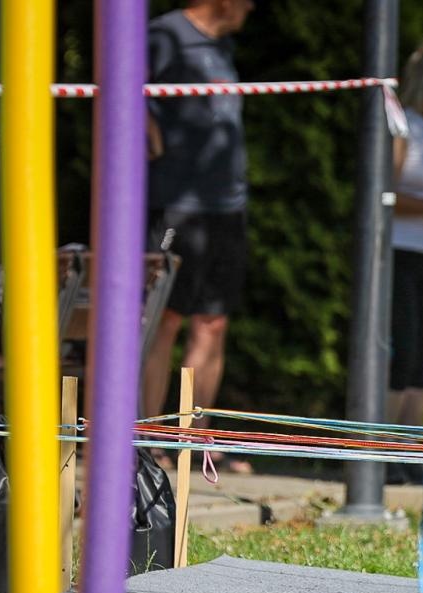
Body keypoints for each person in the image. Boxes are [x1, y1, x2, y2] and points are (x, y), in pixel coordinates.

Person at [141, 0, 255, 473]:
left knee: (213, 322)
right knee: (164, 318)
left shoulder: (221, 45)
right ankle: (146, 437)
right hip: (176, 202)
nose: (251, 7)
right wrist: (156, 149)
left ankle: (195, 441)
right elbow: (126, 99)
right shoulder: (164, 35)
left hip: (227, 205)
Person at [385, 35, 423, 482]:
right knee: (401, 356)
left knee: (421, 358)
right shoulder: (406, 126)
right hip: (401, 252)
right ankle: (385, 452)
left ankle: (409, 450)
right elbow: (386, 194)